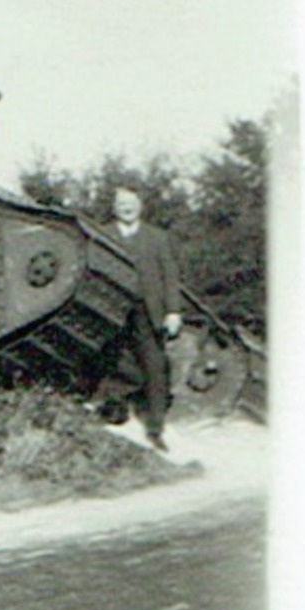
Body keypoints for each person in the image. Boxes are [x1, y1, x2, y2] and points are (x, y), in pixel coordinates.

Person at [92, 188, 183, 452]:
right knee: (110, 360)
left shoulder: (157, 237)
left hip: (148, 310)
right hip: (112, 309)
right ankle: (113, 414)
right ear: (114, 208)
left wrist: (173, 311)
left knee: (154, 366)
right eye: (121, 204)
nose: (126, 208)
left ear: (140, 206)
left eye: (131, 203)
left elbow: (170, 277)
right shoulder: (103, 234)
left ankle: (155, 428)